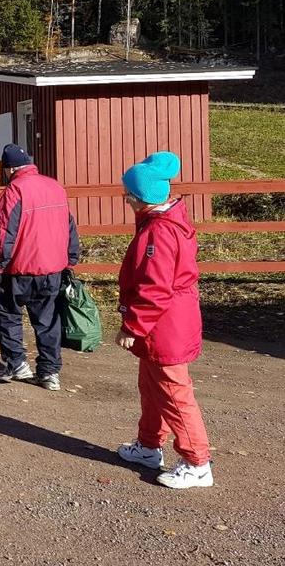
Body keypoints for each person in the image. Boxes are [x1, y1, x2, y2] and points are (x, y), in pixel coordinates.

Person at [115, 152, 214, 490]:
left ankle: (197, 461)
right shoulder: (166, 221)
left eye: (127, 194)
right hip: (168, 322)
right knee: (152, 386)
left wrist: (132, 326)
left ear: (139, 198)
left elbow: (155, 288)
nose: (125, 199)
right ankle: (148, 445)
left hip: (165, 325)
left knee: (173, 392)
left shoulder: (159, 232)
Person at [0, 143, 80, 391]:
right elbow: (69, 225)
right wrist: (71, 258)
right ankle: (50, 372)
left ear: (8, 168)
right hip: (52, 267)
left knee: (7, 315)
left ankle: (17, 363)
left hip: (20, 268)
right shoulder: (55, 187)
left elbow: (5, 233)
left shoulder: (14, 191)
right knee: (48, 321)